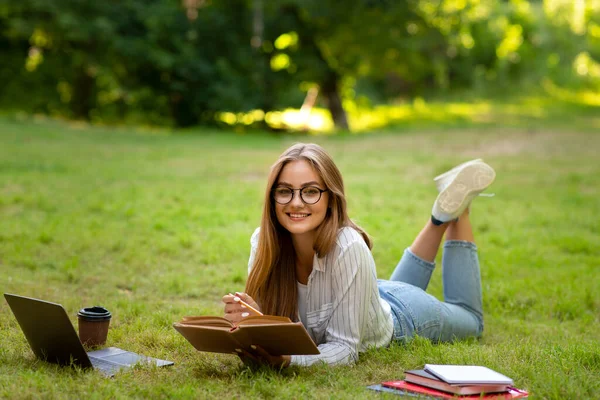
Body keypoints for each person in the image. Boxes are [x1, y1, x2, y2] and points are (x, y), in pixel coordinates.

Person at [222, 144, 495, 368]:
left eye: (310, 191)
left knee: (472, 320)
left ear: (332, 197)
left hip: (405, 316)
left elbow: (345, 349)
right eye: (284, 191)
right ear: (272, 197)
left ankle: (460, 209)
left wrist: (289, 361)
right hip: (367, 296)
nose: (295, 202)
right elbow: (277, 329)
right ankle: (440, 215)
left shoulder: (348, 247)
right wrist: (252, 320)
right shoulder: (263, 242)